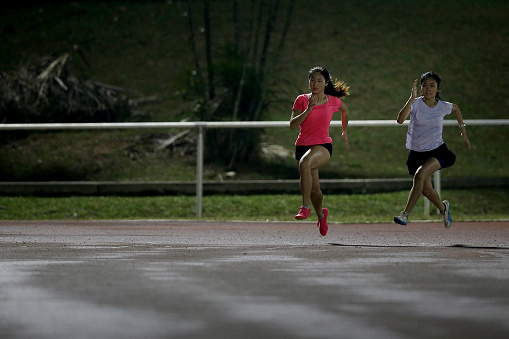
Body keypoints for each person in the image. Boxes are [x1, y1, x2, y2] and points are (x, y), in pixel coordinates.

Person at [394, 71, 471, 227]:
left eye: (432, 86)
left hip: (437, 152)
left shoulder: (443, 106)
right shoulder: (415, 103)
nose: (428, 89)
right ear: (420, 88)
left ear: (438, 89)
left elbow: (456, 109)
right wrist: (411, 98)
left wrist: (462, 129)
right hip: (416, 153)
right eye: (425, 85)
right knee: (427, 191)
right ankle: (443, 208)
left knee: (420, 175)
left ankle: (405, 214)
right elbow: (400, 120)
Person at [290, 66, 350, 236]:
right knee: (315, 189)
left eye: (319, 81)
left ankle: (305, 207)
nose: (314, 84)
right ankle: (321, 215)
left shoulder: (332, 101)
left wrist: (344, 131)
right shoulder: (301, 100)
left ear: (326, 83)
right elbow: (292, 125)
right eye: (312, 80)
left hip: (323, 145)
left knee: (305, 163)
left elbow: (344, 110)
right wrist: (308, 109)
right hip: (302, 146)